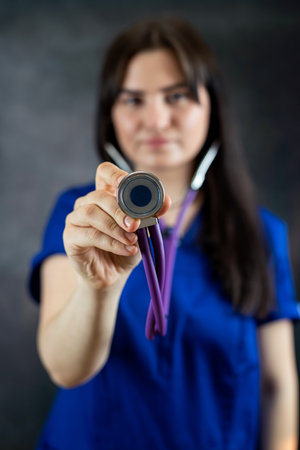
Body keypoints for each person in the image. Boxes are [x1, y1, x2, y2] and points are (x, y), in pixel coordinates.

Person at [28, 17, 299, 450]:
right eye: (133, 100)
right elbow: (65, 369)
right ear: (110, 115)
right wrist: (97, 290)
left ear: (212, 107)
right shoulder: (80, 217)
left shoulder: (261, 234)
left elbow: (277, 386)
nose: (155, 119)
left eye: (177, 96)